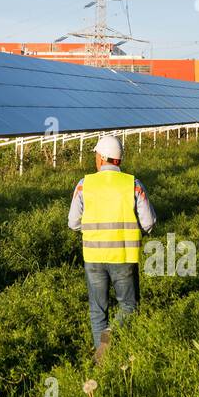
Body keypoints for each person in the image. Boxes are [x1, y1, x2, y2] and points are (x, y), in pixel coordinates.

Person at [68, 134, 155, 363]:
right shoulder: (133, 184)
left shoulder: (84, 184)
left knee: (97, 310)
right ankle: (113, 336)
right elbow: (149, 223)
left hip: (94, 257)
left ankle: (102, 362)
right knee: (128, 306)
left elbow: (73, 223)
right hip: (124, 256)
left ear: (101, 157)